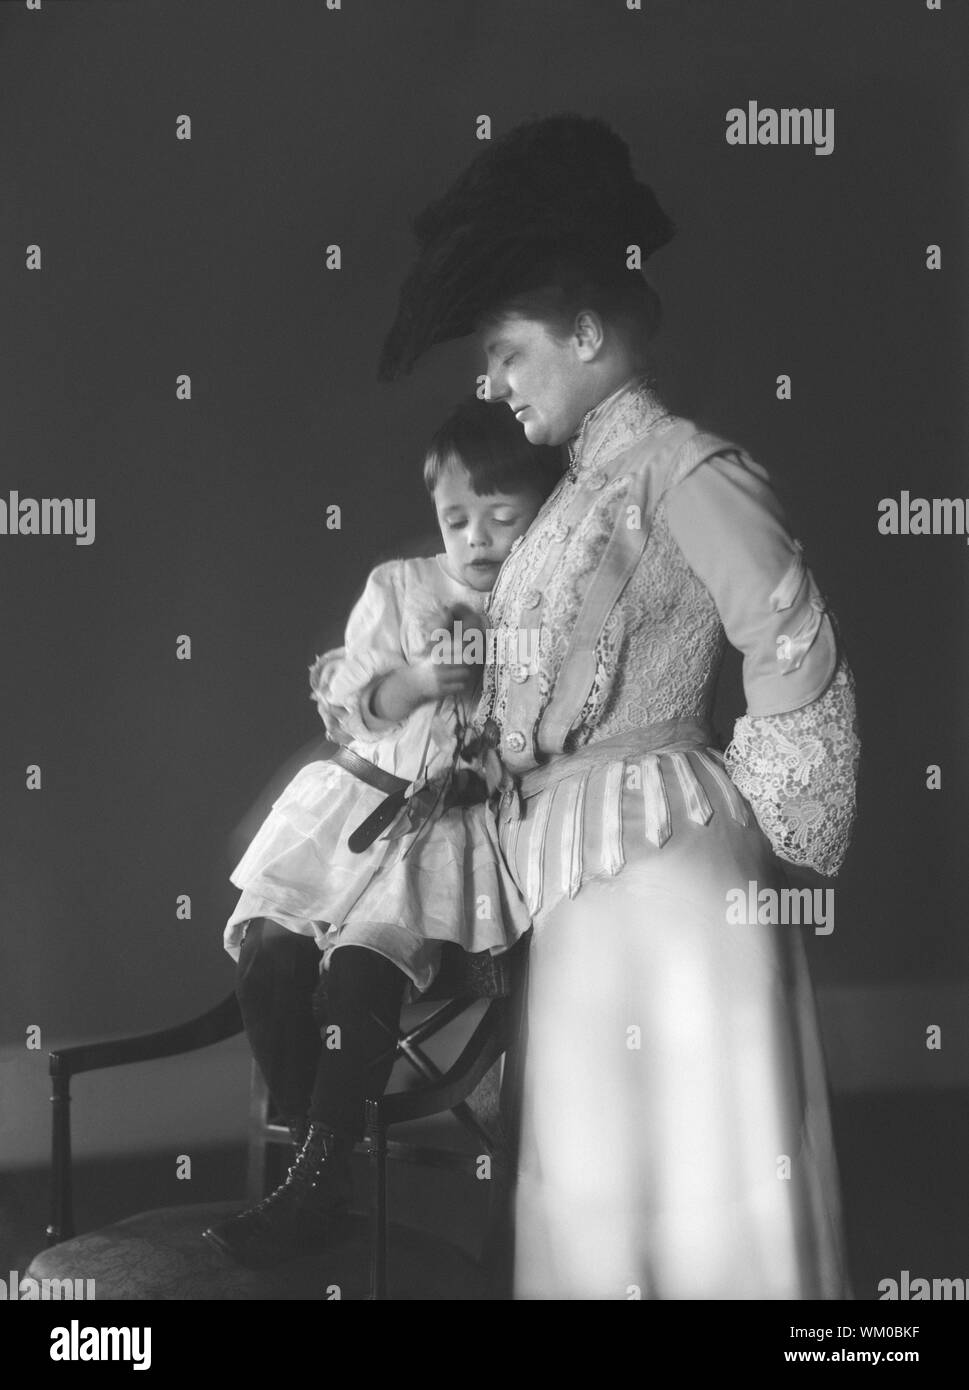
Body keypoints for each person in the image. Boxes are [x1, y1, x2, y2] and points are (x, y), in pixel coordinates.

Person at [378, 114, 862, 1299]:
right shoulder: (569, 494)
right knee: (597, 1167)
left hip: (664, 860)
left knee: (697, 1165)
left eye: (506, 351)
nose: (489, 382)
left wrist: (769, 811)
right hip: (579, 871)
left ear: (588, 330)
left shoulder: (685, 468)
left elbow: (789, 632)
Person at [203, 397, 563, 1268]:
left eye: (502, 519)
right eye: (456, 520)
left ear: (541, 518)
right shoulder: (399, 587)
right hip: (352, 810)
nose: (476, 539)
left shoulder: (541, 604)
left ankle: (316, 1180)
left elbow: (541, 729)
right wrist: (417, 680)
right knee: (272, 954)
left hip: (441, 831)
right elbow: (351, 709)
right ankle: (313, 1169)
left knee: (364, 969)